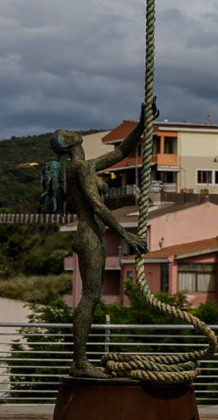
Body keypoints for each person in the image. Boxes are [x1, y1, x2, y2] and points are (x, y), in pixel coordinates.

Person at [41, 101, 156, 377]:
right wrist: (125, 233)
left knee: (91, 298)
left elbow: (121, 150)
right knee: (90, 298)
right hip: (89, 234)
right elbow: (98, 206)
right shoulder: (80, 169)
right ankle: (80, 362)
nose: (73, 130)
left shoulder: (84, 166)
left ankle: (80, 360)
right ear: (68, 143)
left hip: (90, 234)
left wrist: (142, 123)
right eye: (67, 131)